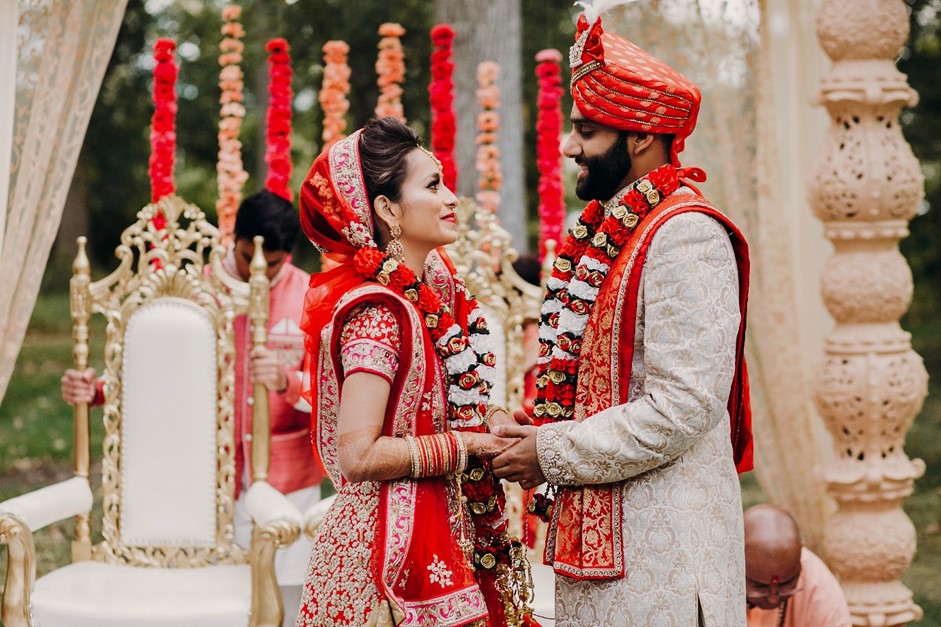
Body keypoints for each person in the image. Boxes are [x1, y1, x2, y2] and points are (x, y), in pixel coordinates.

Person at [491, 3, 753, 625]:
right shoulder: (623, 231)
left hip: (664, 570)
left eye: (586, 131)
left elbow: (683, 406)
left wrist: (549, 451)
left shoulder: (685, 234)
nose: (567, 145)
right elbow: (609, 389)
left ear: (640, 136)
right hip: (611, 566)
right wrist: (529, 430)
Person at [294, 117, 535, 626]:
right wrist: (466, 446)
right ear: (387, 208)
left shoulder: (437, 293)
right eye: (432, 186)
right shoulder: (378, 313)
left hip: (452, 531)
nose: (451, 198)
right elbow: (357, 454)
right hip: (382, 558)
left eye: (445, 182)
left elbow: (449, 402)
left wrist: (491, 419)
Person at [61, 189, 323, 623]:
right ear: (233, 239)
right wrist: (98, 391)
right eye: (245, 255)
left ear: (288, 254)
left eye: (273, 263)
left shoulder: (311, 297)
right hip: (206, 474)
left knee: (290, 591)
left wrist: (287, 380)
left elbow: (332, 395)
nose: (255, 269)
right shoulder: (198, 287)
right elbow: (155, 369)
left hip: (286, 476)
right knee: (228, 596)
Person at [744, 505, 852, 627]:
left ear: (800, 557)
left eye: (786, 584)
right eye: (759, 587)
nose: (773, 599)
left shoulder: (818, 586)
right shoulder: (720, 580)